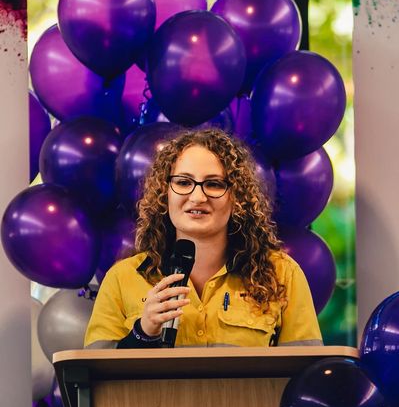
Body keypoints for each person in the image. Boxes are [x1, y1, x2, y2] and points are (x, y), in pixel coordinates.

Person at [84, 128, 322, 349]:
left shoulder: (281, 274)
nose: (197, 197)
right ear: (164, 193)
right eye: (184, 182)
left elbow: (305, 377)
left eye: (214, 184)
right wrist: (143, 332)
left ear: (236, 198)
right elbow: (95, 384)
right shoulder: (122, 279)